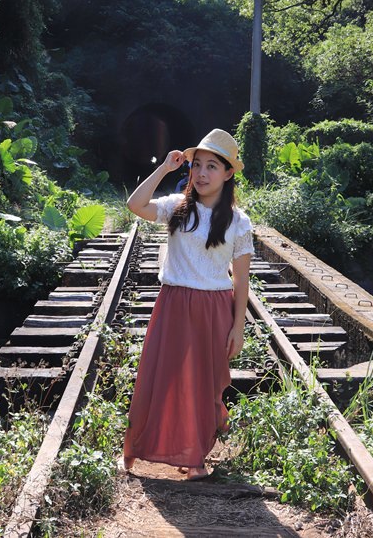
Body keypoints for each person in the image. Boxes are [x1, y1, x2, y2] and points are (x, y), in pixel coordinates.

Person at [121, 128, 253, 481]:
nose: (203, 173)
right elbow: (135, 204)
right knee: (158, 376)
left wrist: (238, 326)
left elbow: (242, 281)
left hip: (214, 308)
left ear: (228, 173)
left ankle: (194, 456)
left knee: (203, 383)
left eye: (212, 166)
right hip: (174, 303)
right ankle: (137, 448)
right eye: (197, 165)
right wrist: (165, 168)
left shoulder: (239, 222)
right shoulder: (178, 208)